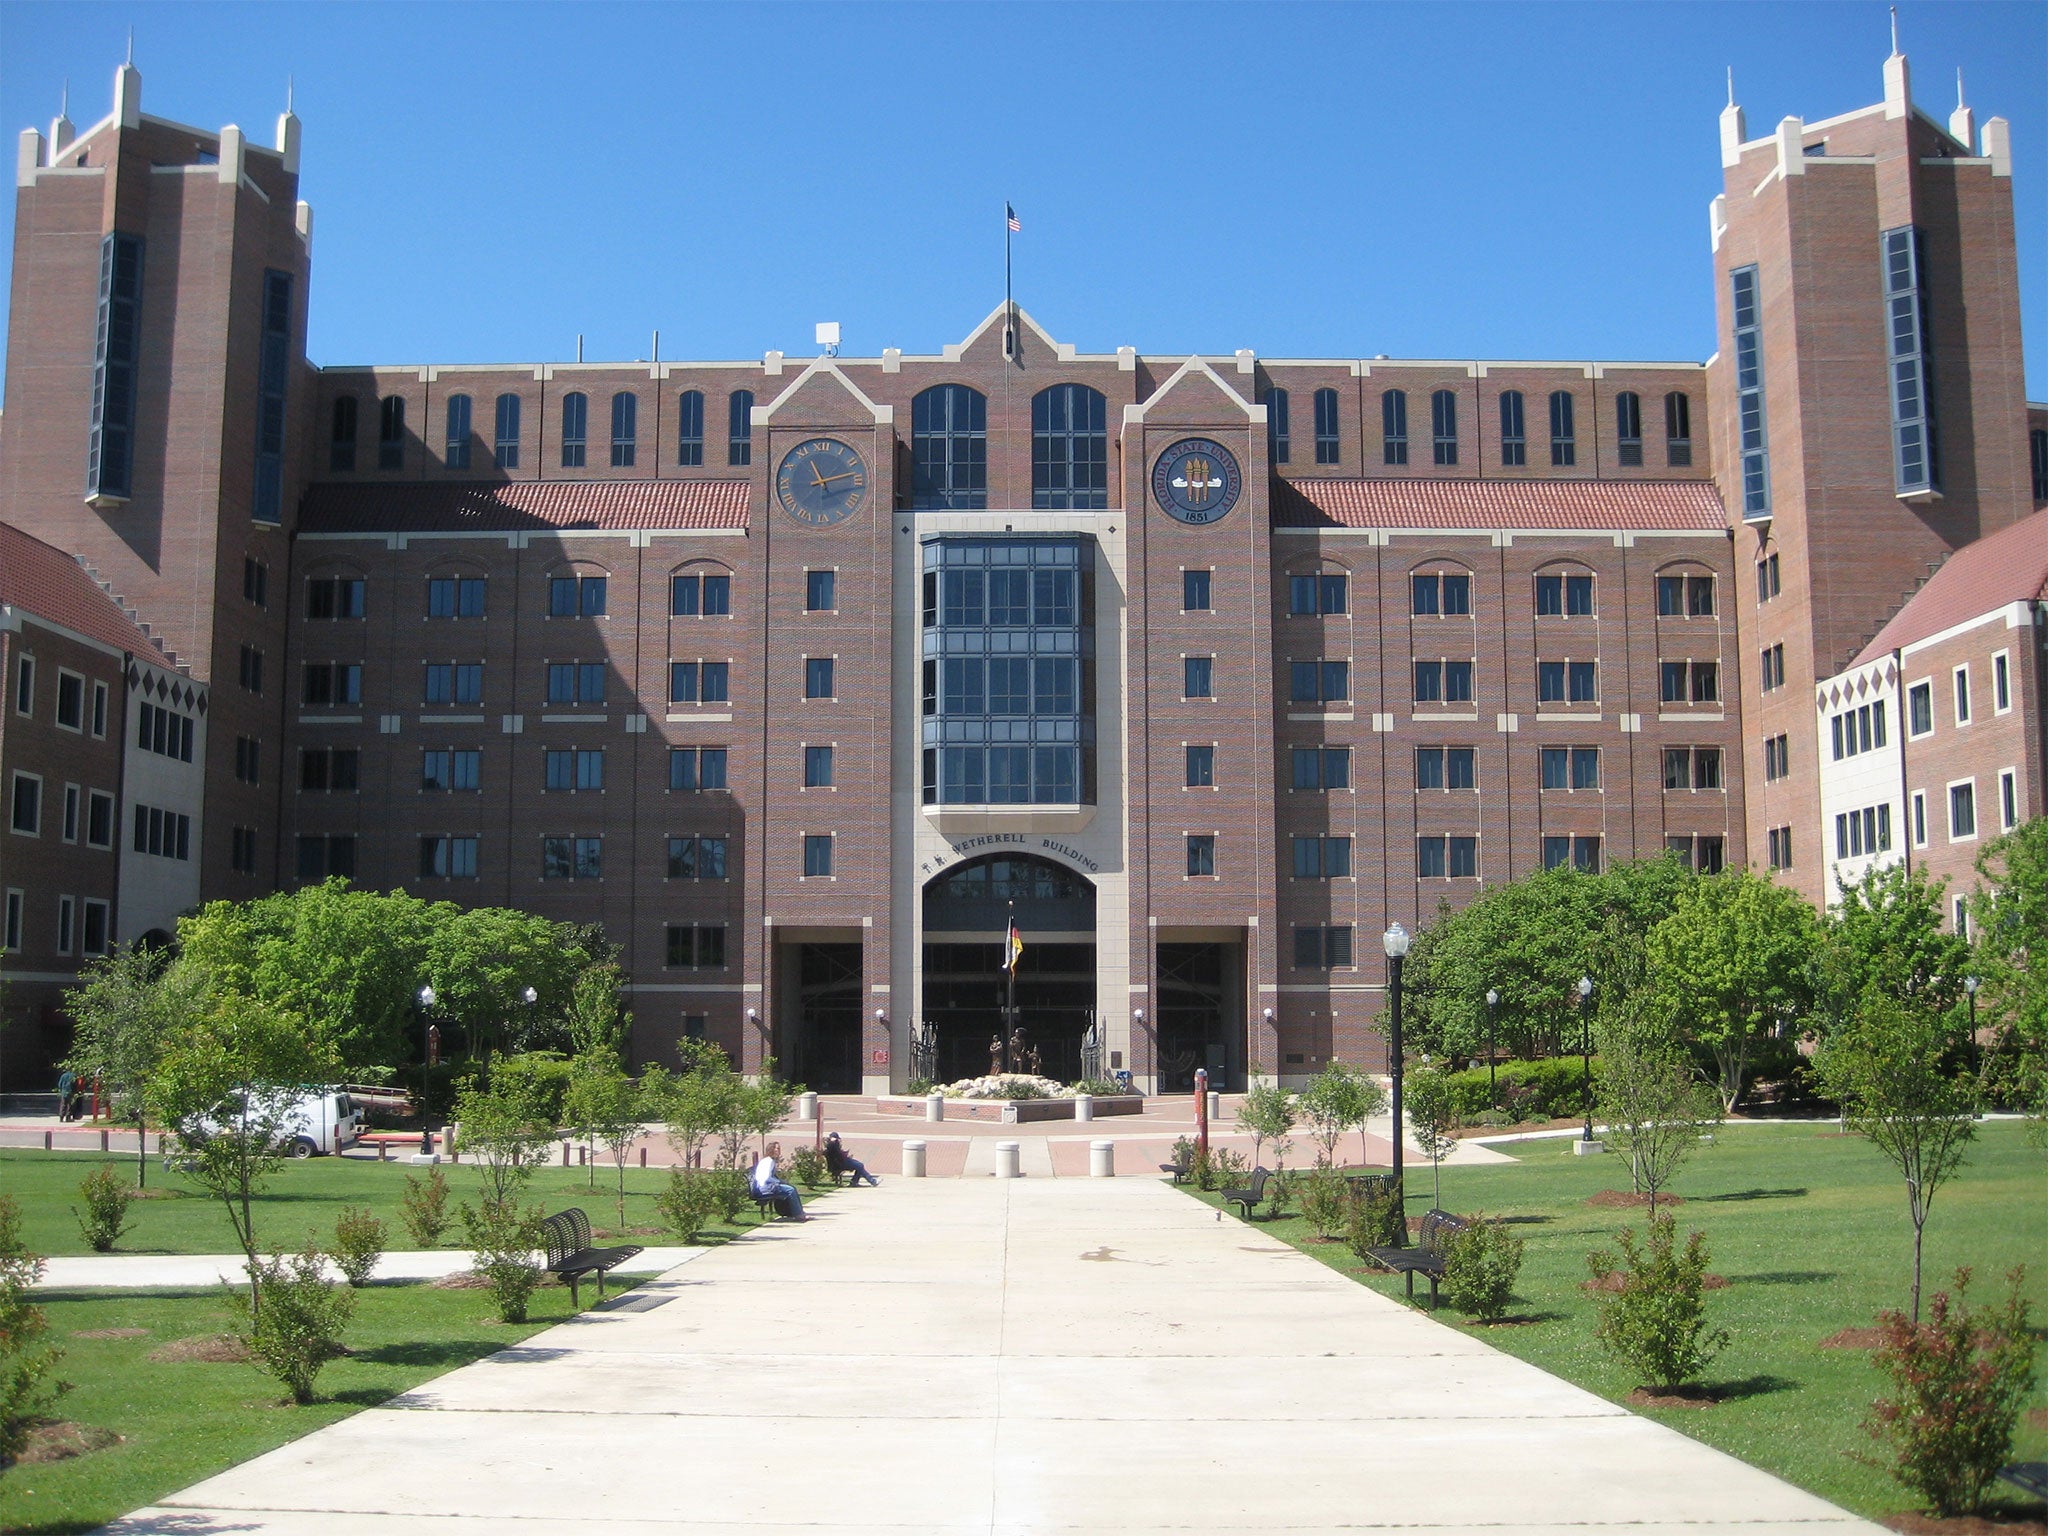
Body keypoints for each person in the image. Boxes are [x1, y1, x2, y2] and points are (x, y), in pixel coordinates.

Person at [749, 1141, 806, 1221]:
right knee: (791, 1190)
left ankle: (798, 1212)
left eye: (779, 1149)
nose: (778, 1151)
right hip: (765, 1188)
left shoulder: (766, 1160)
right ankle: (798, 1215)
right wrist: (780, 1182)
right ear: (771, 1150)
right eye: (777, 1148)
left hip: (764, 1187)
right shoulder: (769, 1161)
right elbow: (767, 1178)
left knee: (791, 1187)